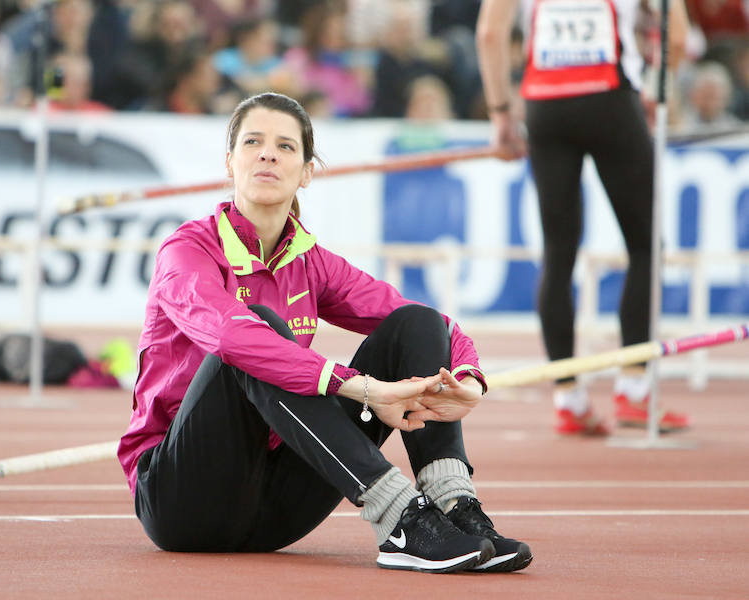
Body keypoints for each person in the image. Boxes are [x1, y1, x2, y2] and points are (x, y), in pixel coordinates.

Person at [117, 92, 533, 573]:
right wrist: (360, 387)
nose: (268, 154)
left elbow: (432, 323)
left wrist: (470, 378)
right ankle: (400, 518)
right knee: (259, 332)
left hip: (275, 511)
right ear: (229, 162)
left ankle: (454, 505)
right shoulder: (187, 250)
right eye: (253, 142)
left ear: (307, 171)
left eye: (285, 146)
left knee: (415, 323)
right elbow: (234, 339)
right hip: (182, 500)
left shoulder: (311, 261)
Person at [475, 0, 692, 435]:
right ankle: (634, 388)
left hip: (545, 106)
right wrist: (653, 90)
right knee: (646, 246)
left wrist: (500, 114)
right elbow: (678, 35)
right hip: (611, 101)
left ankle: (568, 397)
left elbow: (489, 34)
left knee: (558, 254)